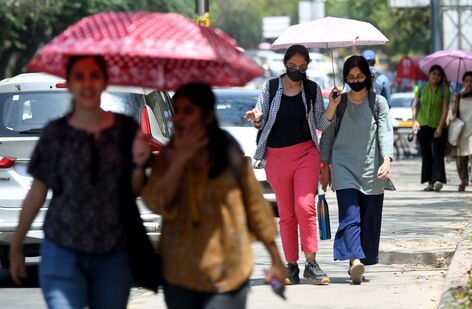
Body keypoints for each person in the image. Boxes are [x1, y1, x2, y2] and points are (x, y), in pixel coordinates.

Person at [9, 55, 151, 308]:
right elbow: (37, 193)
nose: (87, 83)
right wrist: (16, 243)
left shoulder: (125, 130)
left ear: (105, 81)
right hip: (62, 250)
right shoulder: (56, 133)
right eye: (79, 77)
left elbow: (135, 190)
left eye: (94, 76)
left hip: (112, 253)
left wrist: (139, 163)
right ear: (70, 84)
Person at [141, 83, 286, 308]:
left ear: (207, 115)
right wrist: (179, 161)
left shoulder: (229, 152)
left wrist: (275, 258)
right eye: (176, 111)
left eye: (188, 111)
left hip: (227, 269)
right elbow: (154, 201)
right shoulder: (169, 155)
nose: (180, 118)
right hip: (181, 272)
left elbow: (255, 207)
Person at [244, 44, 336, 285]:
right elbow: (260, 116)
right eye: (293, 66)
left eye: (302, 67)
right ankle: (292, 266)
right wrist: (256, 118)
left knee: (305, 207)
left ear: (307, 67)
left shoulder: (312, 89)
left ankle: (312, 263)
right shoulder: (271, 87)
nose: (297, 70)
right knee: (286, 214)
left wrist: (333, 105)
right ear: (285, 64)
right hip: (276, 157)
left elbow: (321, 124)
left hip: (306, 154)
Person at [319, 55, 393, 284]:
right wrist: (325, 166)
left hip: (371, 167)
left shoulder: (378, 102)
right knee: (350, 215)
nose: (355, 80)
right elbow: (326, 132)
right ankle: (355, 261)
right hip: (342, 166)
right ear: (345, 78)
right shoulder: (337, 102)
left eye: (359, 76)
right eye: (350, 77)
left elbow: (385, 132)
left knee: (369, 218)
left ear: (368, 77)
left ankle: (360, 257)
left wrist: (386, 160)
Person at [412, 64, 450, 192]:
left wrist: (440, 126)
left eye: (439, 75)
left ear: (441, 77)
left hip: (438, 126)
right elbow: (415, 105)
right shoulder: (421, 87)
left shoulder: (444, 90)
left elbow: (445, 109)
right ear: (429, 75)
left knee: (438, 154)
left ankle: (438, 180)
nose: (436, 76)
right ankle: (429, 183)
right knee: (426, 155)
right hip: (423, 125)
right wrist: (414, 121)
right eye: (433, 73)